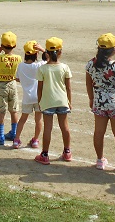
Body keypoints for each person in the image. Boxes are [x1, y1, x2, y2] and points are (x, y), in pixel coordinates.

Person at [85, 33, 115, 174]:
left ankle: (99, 160)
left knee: (99, 132)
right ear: (113, 49)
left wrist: (91, 98)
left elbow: (88, 83)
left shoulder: (91, 64)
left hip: (99, 101)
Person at [34, 37, 73, 165]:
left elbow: (39, 88)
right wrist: (69, 101)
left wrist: (40, 102)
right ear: (60, 52)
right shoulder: (65, 67)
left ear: (47, 53)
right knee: (65, 127)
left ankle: (45, 154)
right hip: (62, 101)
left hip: (47, 101)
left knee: (48, 128)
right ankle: (67, 152)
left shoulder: (42, 69)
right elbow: (68, 87)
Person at [12, 40, 47, 149]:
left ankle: (16, 140)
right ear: (36, 54)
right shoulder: (39, 65)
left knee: (23, 119)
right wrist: (42, 49)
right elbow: (49, 59)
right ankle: (35, 140)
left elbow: (17, 78)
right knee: (38, 119)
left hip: (27, 97)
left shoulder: (21, 66)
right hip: (39, 97)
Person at [0, 31, 22, 145]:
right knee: (14, 110)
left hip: (1, 85)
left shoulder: (0, 57)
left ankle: (1, 136)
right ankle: (14, 133)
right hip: (12, 84)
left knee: (1, 111)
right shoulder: (18, 58)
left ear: (2, 45)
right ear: (15, 45)